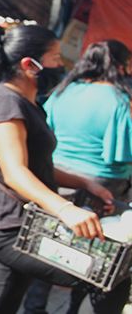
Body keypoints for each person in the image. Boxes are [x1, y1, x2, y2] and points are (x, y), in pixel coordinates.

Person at [0, 25, 131, 314]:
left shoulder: (25, 103)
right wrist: (66, 210)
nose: (62, 65)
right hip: (11, 228)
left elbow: (39, 164)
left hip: (17, 224)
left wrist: (84, 183)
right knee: (108, 276)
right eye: (56, 57)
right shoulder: (3, 103)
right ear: (29, 65)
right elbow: (15, 173)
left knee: (0, 305)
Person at [23, 39, 132, 314]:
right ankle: (76, 309)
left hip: (57, 180)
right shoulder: (119, 99)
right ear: (119, 66)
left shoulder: (62, 92)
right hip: (103, 184)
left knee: (49, 248)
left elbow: (44, 136)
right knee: (95, 259)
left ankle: (35, 307)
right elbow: (120, 153)